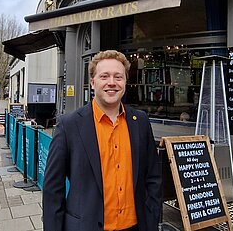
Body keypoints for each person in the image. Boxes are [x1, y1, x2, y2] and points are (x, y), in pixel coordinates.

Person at [43, 50, 162, 231]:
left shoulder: (141, 122)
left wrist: (152, 220)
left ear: (125, 82)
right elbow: (53, 190)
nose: (112, 83)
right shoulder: (69, 125)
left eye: (118, 77)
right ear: (93, 82)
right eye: (104, 76)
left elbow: (153, 177)